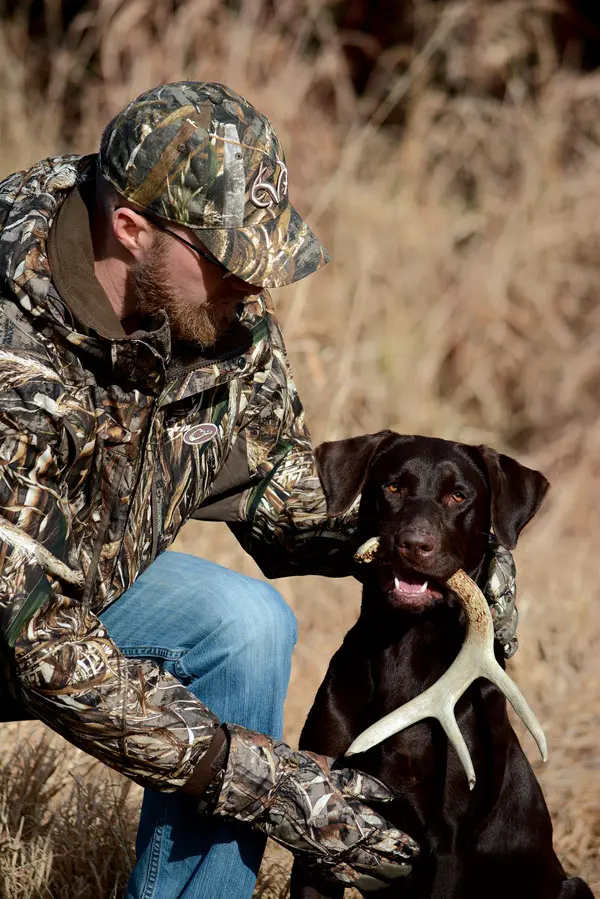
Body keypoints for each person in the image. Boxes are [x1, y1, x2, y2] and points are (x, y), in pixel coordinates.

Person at [0, 81, 518, 898]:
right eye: (233, 261)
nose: (256, 285)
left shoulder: (215, 307)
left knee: (245, 624)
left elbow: (283, 502)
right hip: (20, 613)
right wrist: (271, 785)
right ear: (130, 229)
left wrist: (445, 553)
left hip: (72, 580)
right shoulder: (12, 341)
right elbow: (33, 639)